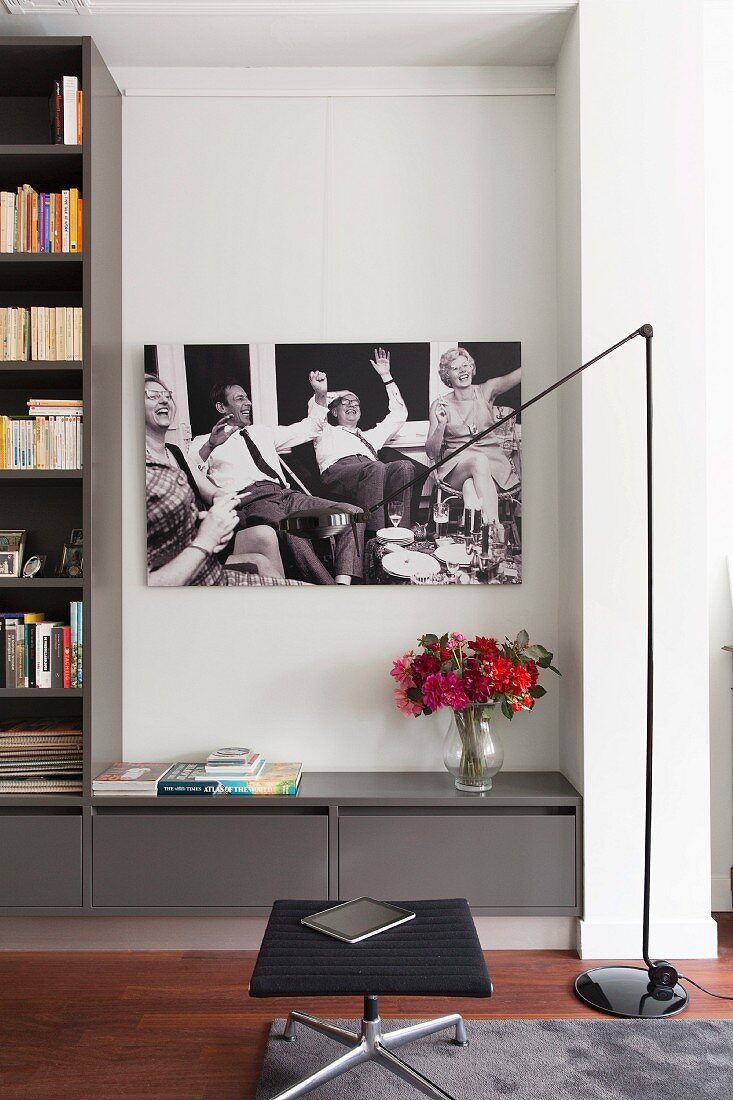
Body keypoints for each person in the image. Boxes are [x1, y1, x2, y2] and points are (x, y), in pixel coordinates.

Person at [190, 374, 364, 585]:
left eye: (247, 398)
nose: (248, 403)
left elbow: (310, 428)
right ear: (221, 407)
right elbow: (191, 475)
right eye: (239, 399)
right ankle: (326, 591)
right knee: (294, 531)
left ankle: (342, 586)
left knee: (353, 514)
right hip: (251, 501)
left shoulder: (262, 431)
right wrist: (210, 446)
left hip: (286, 495)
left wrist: (320, 394)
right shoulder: (203, 442)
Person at [144, 375, 296, 586]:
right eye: (152, 396)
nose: (163, 400)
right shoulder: (141, 465)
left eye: (166, 396)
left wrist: (226, 504)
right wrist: (210, 446)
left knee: (264, 535)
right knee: (264, 554)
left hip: (209, 535)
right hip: (187, 551)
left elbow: (212, 491)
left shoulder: (175, 452)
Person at [311, 348, 425, 533]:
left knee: (404, 466)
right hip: (337, 473)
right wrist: (336, 392)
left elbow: (399, 414)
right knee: (377, 467)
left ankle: (399, 535)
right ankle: (375, 536)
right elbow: (315, 408)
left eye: (356, 403)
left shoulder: (370, 436)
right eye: (346, 403)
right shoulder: (324, 429)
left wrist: (386, 376)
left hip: (371, 473)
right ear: (333, 411)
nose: (352, 405)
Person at [425, 348, 521, 525]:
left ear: (472, 368)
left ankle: (476, 537)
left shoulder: (486, 391)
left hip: (495, 468)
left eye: (466, 365)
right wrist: (441, 425)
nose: (463, 370)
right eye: (455, 368)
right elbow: (431, 453)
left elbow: (518, 376)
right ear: (447, 375)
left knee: (470, 486)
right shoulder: (440, 404)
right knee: (478, 461)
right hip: (457, 468)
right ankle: (495, 531)